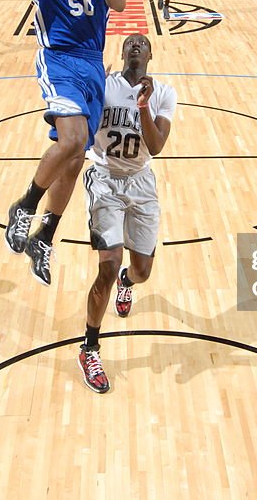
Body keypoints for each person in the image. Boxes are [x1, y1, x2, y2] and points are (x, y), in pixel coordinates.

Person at [0, 0, 126, 284]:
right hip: (59, 61)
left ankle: (45, 235)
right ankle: (24, 207)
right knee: (72, 140)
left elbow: (119, 4)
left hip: (93, 64)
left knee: (73, 160)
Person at [77, 34, 176, 393]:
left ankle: (128, 281)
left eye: (143, 42)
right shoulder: (104, 84)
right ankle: (89, 347)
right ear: (122, 53)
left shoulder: (164, 93)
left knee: (143, 270)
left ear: (151, 54)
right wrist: (88, 92)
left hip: (141, 182)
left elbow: (156, 146)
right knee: (107, 263)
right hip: (104, 179)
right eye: (130, 42)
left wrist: (144, 106)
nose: (135, 45)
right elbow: (82, 129)